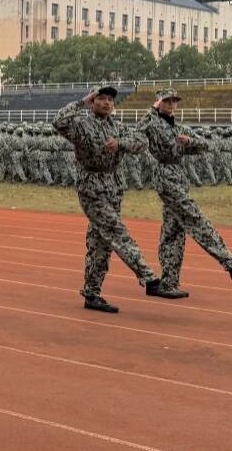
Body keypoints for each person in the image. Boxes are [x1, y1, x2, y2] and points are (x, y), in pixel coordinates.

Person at [53, 87, 178, 313]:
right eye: (101, 98)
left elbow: (141, 142)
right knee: (116, 231)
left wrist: (121, 144)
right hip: (92, 187)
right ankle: (149, 279)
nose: (107, 103)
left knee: (100, 243)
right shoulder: (81, 124)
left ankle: (92, 294)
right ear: (92, 102)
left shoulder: (117, 127)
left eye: (110, 99)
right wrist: (81, 102)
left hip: (113, 188)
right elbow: (58, 121)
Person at [137, 88, 232, 297]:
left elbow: (205, 145)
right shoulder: (152, 122)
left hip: (179, 176)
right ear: (158, 103)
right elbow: (139, 130)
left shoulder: (179, 127)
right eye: (166, 101)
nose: (171, 104)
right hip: (164, 176)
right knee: (195, 219)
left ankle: (168, 283)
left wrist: (189, 142)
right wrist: (152, 110)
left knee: (173, 232)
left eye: (174, 101)